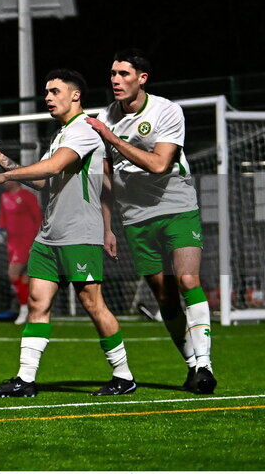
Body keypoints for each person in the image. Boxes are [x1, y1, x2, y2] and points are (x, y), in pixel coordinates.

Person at [0, 69, 137, 398]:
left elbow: (51, 167)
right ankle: (25, 380)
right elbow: (42, 181)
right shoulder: (61, 133)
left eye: (54, 91)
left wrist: (4, 177)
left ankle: (124, 375)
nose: (47, 97)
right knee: (36, 302)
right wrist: (3, 161)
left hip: (80, 234)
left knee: (93, 304)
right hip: (50, 236)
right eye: (46, 91)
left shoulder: (85, 130)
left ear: (75, 95)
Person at [86, 48, 216, 394]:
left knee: (188, 279)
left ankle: (205, 365)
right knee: (165, 297)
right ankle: (192, 367)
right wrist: (107, 225)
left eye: (124, 74)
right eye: (113, 74)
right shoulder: (105, 116)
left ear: (142, 78)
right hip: (135, 216)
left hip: (176, 205)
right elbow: (107, 174)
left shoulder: (167, 110)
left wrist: (111, 137)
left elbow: (159, 164)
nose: (116, 80)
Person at [0, 179, 42, 324]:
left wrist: (38, 240)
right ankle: (30, 307)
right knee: (25, 279)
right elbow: (2, 216)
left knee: (13, 274)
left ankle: (25, 309)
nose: (3, 182)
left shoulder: (27, 196)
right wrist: (0, 230)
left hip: (26, 241)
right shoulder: (4, 197)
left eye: (7, 179)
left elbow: (38, 218)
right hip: (12, 243)